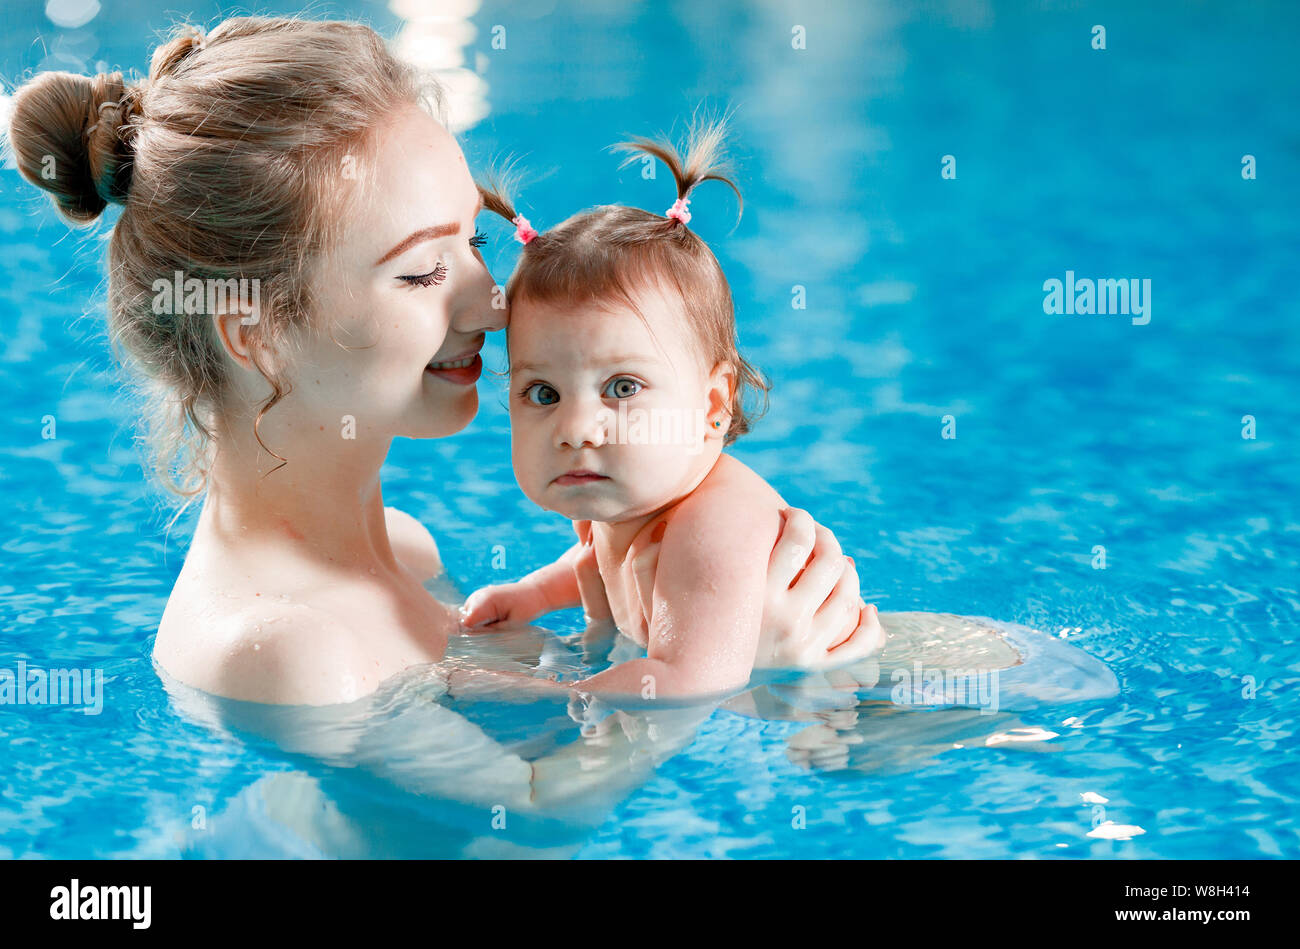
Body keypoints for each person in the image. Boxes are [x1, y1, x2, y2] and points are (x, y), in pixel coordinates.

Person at [6, 16, 878, 709]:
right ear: (254, 329)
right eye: (423, 269)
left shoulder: (407, 552)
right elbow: (520, 832)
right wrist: (748, 677)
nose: (498, 304)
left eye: (473, 240)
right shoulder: (294, 654)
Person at [461, 117, 885, 696]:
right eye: (544, 394)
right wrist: (532, 596)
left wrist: (528, 691)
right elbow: (598, 561)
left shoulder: (712, 526)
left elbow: (686, 682)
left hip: (883, 702)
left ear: (713, 403)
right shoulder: (624, 495)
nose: (576, 427)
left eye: (624, 388)